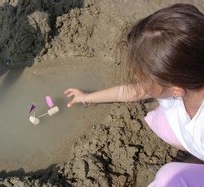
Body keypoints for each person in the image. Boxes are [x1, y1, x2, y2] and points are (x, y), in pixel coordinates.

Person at [64, 3, 204, 187]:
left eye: (144, 76)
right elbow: (132, 91)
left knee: (169, 176)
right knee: (157, 120)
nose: (138, 79)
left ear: (176, 89)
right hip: (192, 134)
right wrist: (86, 97)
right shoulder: (188, 76)